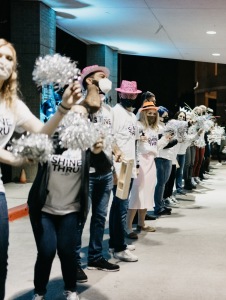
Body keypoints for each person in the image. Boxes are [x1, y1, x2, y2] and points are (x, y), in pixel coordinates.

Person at [0, 39, 82, 300]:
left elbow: (43, 132)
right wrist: (12, 159)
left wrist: (64, 108)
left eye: (9, 58)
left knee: (0, 261)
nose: (3, 61)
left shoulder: (13, 105)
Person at [75, 65, 119, 283]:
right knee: (79, 218)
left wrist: (115, 162)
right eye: (102, 77)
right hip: (86, 173)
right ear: (89, 81)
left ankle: (95, 256)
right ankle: (72, 262)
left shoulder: (108, 110)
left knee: (100, 217)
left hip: (106, 171)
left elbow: (110, 139)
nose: (107, 81)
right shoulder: (80, 107)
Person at [109, 80, 141, 261]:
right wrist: (114, 168)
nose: (130, 97)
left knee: (119, 207)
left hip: (129, 166)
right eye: (126, 94)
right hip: (119, 167)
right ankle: (119, 248)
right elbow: (109, 138)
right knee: (120, 207)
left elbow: (133, 141)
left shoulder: (131, 115)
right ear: (120, 94)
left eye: (132, 94)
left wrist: (135, 164)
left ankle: (117, 242)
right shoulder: (115, 113)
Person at [127, 101, 166, 236]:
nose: (151, 115)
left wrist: (165, 140)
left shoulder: (154, 129)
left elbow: (155, 147)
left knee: (147, 193)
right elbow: (135, 147)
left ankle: (141, 223)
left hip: (151, 161)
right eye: (149, 113)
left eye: (153, 113)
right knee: (137, 193)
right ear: (143, 113)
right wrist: (136, 165)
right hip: (140, 161)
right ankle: (128, 227)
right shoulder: (138, 126)